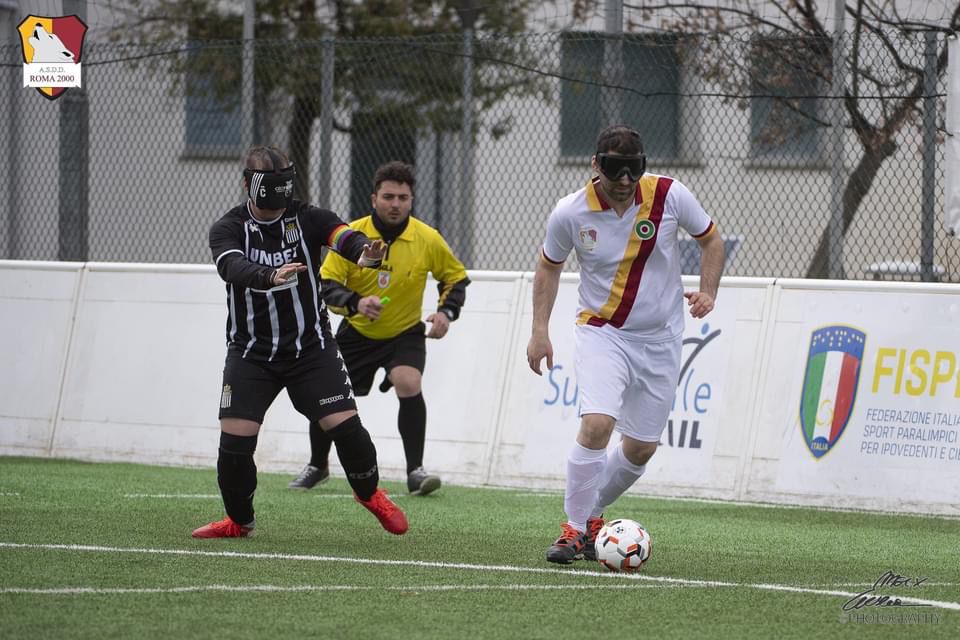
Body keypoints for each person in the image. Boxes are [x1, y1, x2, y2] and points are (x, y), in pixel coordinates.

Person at [526, 125, 725, 564]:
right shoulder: (570, 212)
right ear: (595, 165)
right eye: (614, 169)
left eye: (633, 170)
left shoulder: (669, 195)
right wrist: (540, 329)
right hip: (603, 330)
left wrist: (709, 290)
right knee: (598, 424)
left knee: (640, 448)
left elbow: (711, 239)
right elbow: (549, 267)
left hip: (661, 337)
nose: (623, 180)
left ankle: (591, 515)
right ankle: (574, 529)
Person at [193, 145, 408, 538]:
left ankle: (369, 494)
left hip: (311, 350)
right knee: (235, 446)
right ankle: (239, 522)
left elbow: (344, 236)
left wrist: (365, 254)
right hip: (250, 353)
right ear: (248, 185)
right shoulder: (228, 228)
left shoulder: (308, 217)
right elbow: (231, 266)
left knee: (349, 431)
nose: (279, 202)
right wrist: (268, 276)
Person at [288, 161, 469, 496]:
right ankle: (317, 465)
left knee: (408, 380)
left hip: (404, 333)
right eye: (388, 197)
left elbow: (456, 278)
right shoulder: (352, 236)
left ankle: (415, 472)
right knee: (327, 394)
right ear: (374, 199)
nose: (395, 204)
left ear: (411, 200)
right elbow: (326, 284)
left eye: (402, 197)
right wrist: (356, 302)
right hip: (357, 333)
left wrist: (446, 313)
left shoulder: (427, 238)